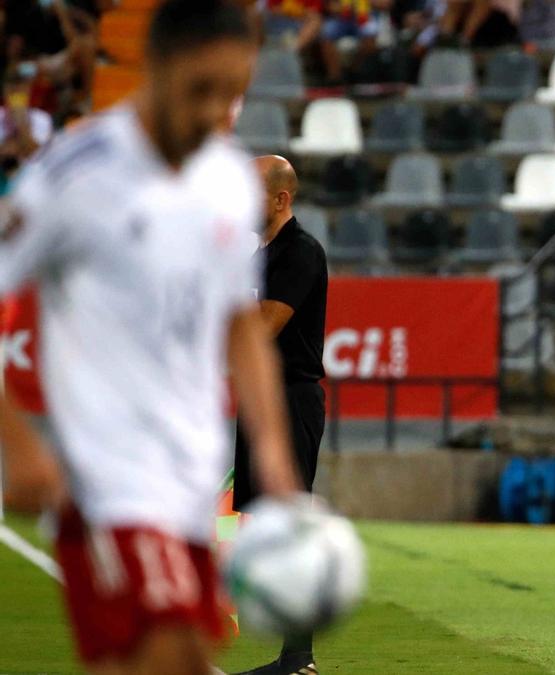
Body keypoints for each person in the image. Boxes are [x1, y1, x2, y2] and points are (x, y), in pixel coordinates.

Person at [0, 2, 303, 673]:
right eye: (202, 89)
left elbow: (238, 328)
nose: (216, 112)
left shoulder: (226, 179)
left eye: (233, 94)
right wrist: (17, 445)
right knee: (172, 657)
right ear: (156, 66)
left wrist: (275, 451)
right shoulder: (77, 172)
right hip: (108, 483)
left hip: (190, 484)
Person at [233, 155, 329, 675]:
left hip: (290, 398)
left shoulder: (300, 253)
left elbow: (264, 325)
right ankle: (291, 651)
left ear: (280, 199)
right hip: (262, 397)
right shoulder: (258, 255)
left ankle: (299, 658)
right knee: (263, 524)